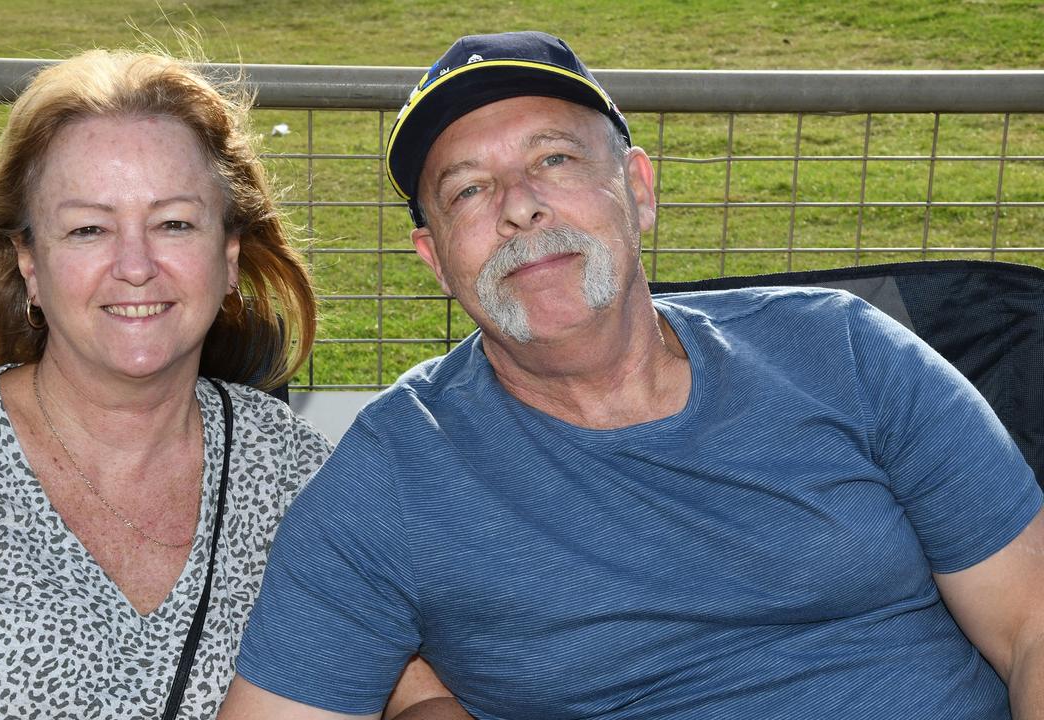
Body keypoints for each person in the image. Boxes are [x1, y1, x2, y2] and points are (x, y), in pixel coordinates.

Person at [217, 31, 1044, 720]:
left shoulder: (847, 352)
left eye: (555, 160)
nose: (519, 207)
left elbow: (1030, 624)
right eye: (468, 190)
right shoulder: (395, 472)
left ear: (638, 190)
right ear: (436, 258)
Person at [0, 48, 450, 719]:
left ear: (229, 256)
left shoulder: (292, 472)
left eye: (173, 223)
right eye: (89, 228)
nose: (135, 265)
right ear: (29, 262)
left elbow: (420, 696)